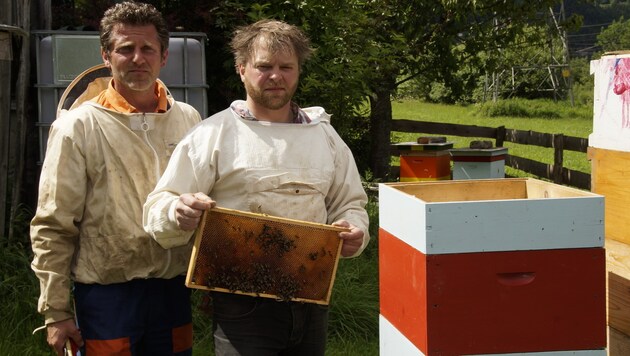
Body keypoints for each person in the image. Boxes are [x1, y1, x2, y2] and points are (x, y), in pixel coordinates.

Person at [143, 19, 370, 356]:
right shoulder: (212, 134)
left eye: (286, 67)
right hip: (241, 306)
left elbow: (350, 203)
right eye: (264, 66)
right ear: (242, 70)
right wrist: (178, 210)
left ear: (298, 71)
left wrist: (356, 232)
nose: (275, 76)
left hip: (312, 298)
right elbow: (159, 204)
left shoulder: (326, 137)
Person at [30, 2, 201, 355]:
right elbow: (53, 223)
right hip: (107, 294)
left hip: (174, 289)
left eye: (147, 48)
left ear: (164, 56)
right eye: (125, 49)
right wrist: (56, 311)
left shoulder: (188, 118)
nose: (137, 58)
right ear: (106, 56)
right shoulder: (77, 126)